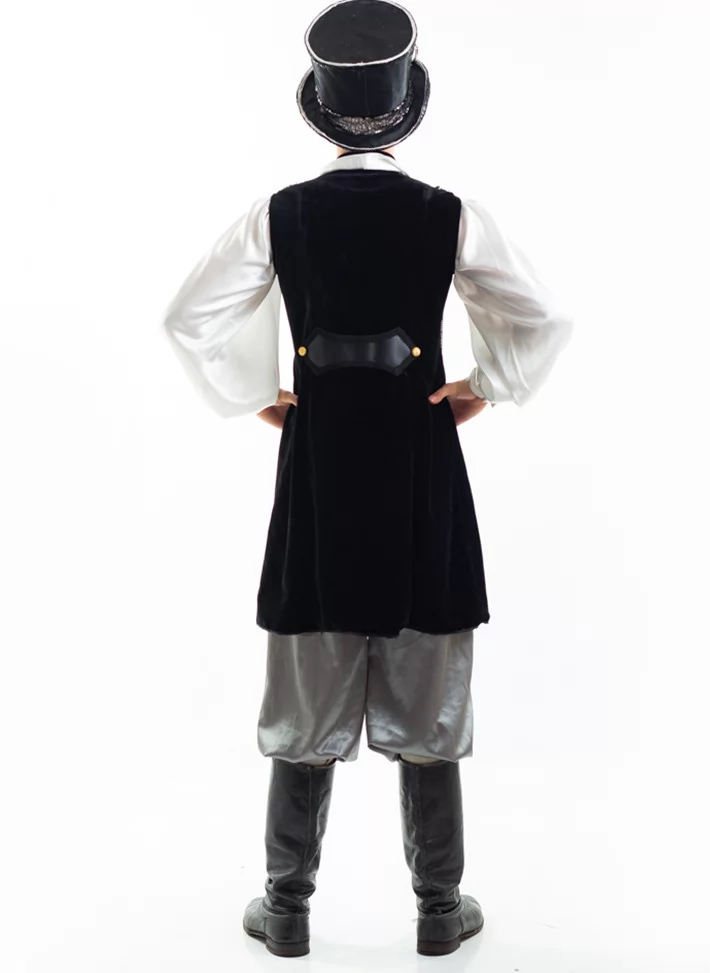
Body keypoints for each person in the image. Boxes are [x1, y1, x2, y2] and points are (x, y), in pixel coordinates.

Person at [160, 0, 573, 959]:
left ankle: (286, 907)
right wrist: (483, 386)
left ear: (324, 114)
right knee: (431, 680)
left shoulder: (281, 213)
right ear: (402, 114)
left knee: (307, 673)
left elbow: (187, 317)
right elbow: (544, 318)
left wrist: (260, 397)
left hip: (318, 472)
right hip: (423, 468)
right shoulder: (447, 213)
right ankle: (439, 908)